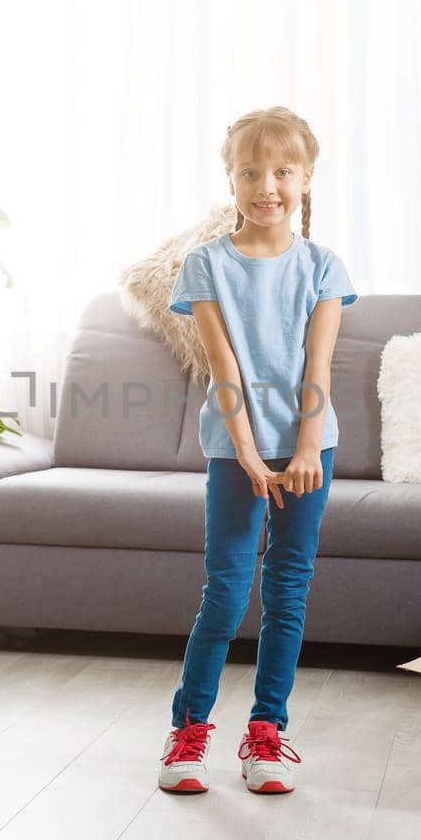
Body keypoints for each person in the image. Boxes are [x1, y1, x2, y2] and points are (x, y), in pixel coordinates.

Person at [158, 106, 357, 795]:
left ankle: (267, 731)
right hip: (234, 451)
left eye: (281, 170)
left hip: (310, 449)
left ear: (306, 177)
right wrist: (245, 451)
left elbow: (318, 367)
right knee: (225, 591)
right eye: (250, 171)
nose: (265, 185)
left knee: (287, 589)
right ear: (230, 178)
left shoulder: (324, 267)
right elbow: (223, 369)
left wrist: (306, 446)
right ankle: (188, 732)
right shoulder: (205, 265)